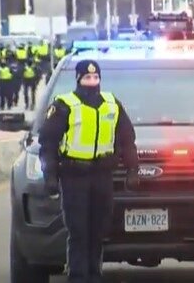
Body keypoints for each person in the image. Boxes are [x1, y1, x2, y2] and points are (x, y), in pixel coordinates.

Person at [38, 60, 139, 283]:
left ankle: (94, 275)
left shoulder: (112, 104)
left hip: (102, 176)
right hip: (74, 176)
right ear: (78, 79)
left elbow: (127, 139)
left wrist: (133, 169)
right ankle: (78, 276)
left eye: (95, 78)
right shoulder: (64, 105)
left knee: (99, 230)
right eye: (87, 78)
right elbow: (48, 142)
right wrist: (50, 176)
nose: (92, 82)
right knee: (78, 231)